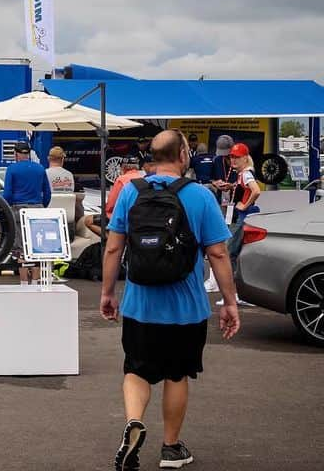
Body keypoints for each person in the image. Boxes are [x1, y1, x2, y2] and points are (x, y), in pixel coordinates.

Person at [101, 130, 239, 471]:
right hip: (186, 309)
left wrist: (107, 293)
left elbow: (114, 247)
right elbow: (218, 254)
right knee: (176, 375)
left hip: (139, 305)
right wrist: (230, 302)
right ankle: (171, 448)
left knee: (136, 370)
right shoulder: (200, 196)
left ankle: (134, 421)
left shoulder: (131, 193)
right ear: (182, 155)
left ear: (153, 156)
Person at [1, 141, 51, 285]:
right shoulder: (40, 168)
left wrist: (7, 208)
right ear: (28, 153)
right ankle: (35, 281)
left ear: (16, 154)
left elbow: (8, 194)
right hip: (37, 209)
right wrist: (42, 206)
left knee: (21, 248)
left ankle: (24, 283)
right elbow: (47, 193)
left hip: (19, 209)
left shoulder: (12, 169)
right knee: (36, 246)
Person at [219, 143, 261, 308]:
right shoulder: (243, 174)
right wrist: (231, 187)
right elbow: (248, 190)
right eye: (232, 157)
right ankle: (238, 294)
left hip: (241, 217)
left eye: (237, 157)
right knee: (234, 255)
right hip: (242, 216)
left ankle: (233, 294)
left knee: (230, 254)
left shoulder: (245, 174)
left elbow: (256, 190)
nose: (233, 160)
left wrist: (244, 205)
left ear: (245, 157)